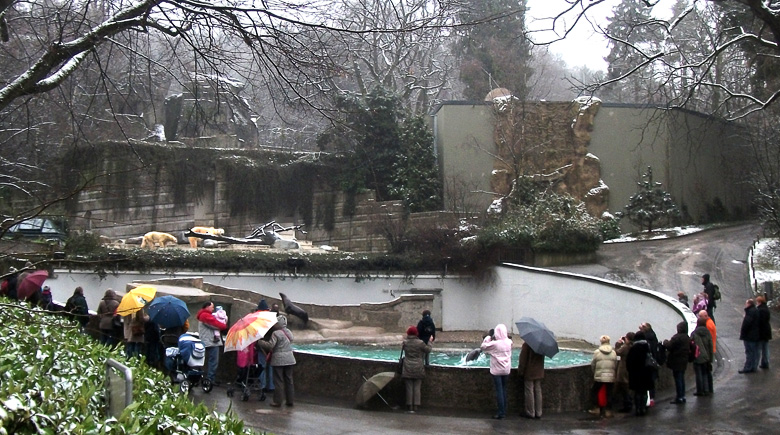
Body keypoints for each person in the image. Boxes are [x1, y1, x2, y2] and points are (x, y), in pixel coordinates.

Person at [258, 315, 296, 407]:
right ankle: (290, 400)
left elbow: (271, 345)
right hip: (290, 359)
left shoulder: (276, 333)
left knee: (278, 380)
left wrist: (260, 342)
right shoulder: (288, 332)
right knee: (289, 380)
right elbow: (291, 340)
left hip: (279, 359)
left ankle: (278, 401)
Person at [481, 324, 512, 419]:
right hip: (506, 370)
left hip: (496, 371)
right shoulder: (509, 342)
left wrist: (488, 338)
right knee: (504, 389)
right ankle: (504, 410)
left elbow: (483, 347)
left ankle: (501, 412)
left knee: (499, 391)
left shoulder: (495, 344)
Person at [399, 325, 432, 413]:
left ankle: (409, 405)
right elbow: (428, 350)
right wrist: (429, 342)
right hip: (418, 366)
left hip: (407, 366)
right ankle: (416, 405)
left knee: (409, 387)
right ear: (416, 333)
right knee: (417, 387)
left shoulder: (405, 343)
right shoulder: (420, 343)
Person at [197, 301, 228, 384]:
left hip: (207, 341)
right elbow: (215, 324)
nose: (213, 309)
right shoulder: (205, 316)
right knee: (213, 361)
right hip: (210, 341)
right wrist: (224, 326)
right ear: (207, 307)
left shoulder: (203, 315)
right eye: (212, 307)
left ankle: (206, 378)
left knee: (205, 360)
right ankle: (210, 379)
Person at [626, 331, 653, 416]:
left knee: (637, 392)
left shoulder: (634, 348)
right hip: (646, 373)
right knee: (644, 392)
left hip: (636, 373)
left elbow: (629, 361)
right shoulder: (647, 347)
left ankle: (638, 409)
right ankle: (643, 408)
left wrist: (630, 371)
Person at [589, 335, 617, 418]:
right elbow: (615, 364)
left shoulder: (597, 352)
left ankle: (597, 408)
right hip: (610, 375)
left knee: (594, 391)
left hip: (600, 375)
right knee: (609, 393)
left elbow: (593, 364)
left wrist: (595, 373)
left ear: (601, 342)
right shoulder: (613, 352)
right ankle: (609, 410)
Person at [663, 322, 690, 404]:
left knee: (678, 378)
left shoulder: (677, 337)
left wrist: (665, 342)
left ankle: (679, 397)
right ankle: (683, 396)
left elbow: (669, 346)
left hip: (676, 361)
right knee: (681, 378)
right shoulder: (686, 337)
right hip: (684, 360)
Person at [517, 341, 545, 419]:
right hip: (539, 371)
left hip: (530, 371)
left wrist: (521, 371)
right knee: (538, 390)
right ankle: (539, 412)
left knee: (529, 391)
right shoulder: (542, 345)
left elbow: (523, 359)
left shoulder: (527, 344)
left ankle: (530, 412)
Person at [638, 323, 660, 407]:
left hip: (647, 363)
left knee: (646, 381)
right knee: (652, 381)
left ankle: (646, 399)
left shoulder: (646, 339)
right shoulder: (653, 336)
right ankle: (651, 399)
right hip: (653, 362)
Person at [691, 317, 714, 395]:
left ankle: (700, 391)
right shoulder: (708, 333)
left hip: (698, 356)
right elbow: (710, 346)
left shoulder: (694, 333)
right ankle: (707, 389)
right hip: (706, 356)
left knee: (699, 374)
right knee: (705, 373)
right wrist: (710, 358)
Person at [614, 332, 635, 413]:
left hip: (624, 369)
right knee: (628, 388)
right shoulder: (634, 346)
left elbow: (617, 352)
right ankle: (629, 403)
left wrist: (618, 344)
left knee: (624, 388)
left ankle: (627, 405)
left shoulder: (626, 347)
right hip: (631, 369)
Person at [739, 298, 761, 374]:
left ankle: (748, 367)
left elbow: (747, 324)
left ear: (749, 304)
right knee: (755, 352)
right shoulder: (756, 311)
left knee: (749, 352)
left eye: (746, 303)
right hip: (755, 335)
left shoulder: (750, 312)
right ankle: (754, 366)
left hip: (749, 336)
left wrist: (743, 333)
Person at [698, 310, 717, 393]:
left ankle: (705, 389)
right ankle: (709, 389)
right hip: (709, 351)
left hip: (706, 352)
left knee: (705, 373)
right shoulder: (710, 322)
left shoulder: (708, 325)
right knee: (707, 372)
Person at [757, 295, 772, 369]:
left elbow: (760, 321)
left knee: (760, 348)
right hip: (767, 331)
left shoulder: (760, 310)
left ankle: (764, 363)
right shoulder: (766, 309)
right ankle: (766, 362)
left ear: (759, 302)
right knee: (765, 348)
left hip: (762, 332)